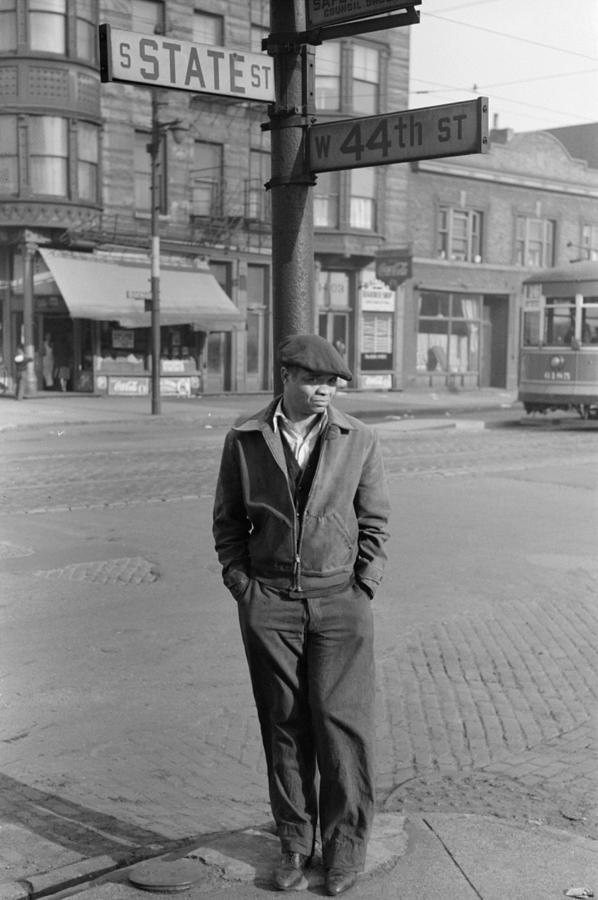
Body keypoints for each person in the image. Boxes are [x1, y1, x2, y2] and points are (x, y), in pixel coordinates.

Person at [213, 334, 390, 896]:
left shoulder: (358, 439)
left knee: (343, 727)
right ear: (286, 375)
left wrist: (363, 585)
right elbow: (227, 522)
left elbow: (375, 523)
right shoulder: (244, 439)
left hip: (340, 600)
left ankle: (345, 849)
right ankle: (294, 841)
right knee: (283, 723)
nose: (326, 392)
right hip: (270, 603)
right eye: (316, 381)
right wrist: (244, 586)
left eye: (334, 383)